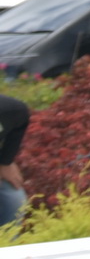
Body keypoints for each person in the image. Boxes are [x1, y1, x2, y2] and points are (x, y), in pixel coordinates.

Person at [0, 90, 27, 228]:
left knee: (14, 199)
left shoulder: (12, 110)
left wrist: (6, 162)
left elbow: (21, 121)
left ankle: (7, 244)